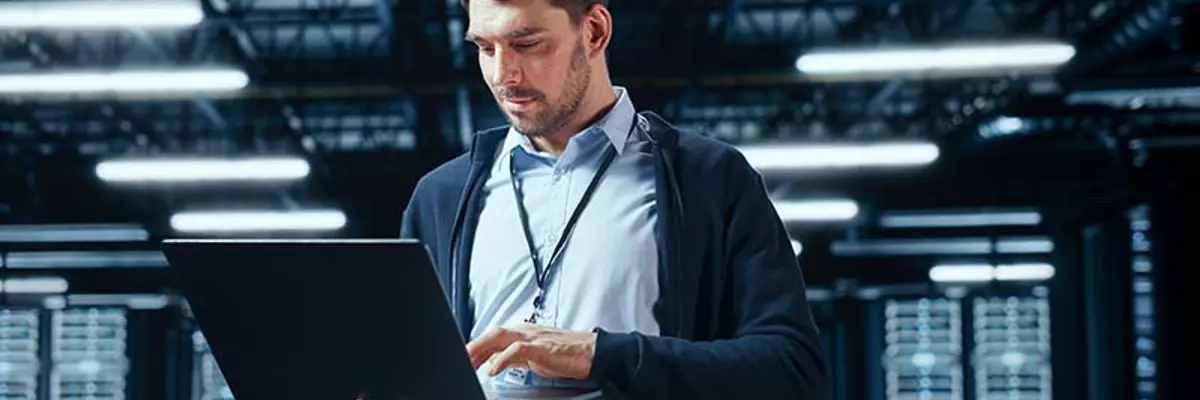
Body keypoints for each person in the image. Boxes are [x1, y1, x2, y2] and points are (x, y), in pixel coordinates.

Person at [400, 0, 828, 398]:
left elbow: (792, 370)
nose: (502, 74)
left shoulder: (709, 180)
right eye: (485, 48)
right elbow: (406, 371)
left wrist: (601, 355)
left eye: (526, 44)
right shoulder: (441, 198)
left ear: (594, 31)